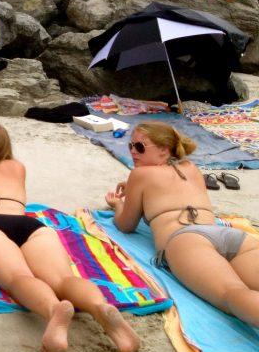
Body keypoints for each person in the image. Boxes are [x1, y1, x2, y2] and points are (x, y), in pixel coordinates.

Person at [0, 119, 140, 352]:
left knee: (18, 277)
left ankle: (54, 310)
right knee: (63, 279)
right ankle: (99, 306)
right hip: (30, 225)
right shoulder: (17, 166)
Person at [105, 122, 258, 327]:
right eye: (130, 146)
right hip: (228, 235)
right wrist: (133, 188)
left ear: (163, 150)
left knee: (233, 294)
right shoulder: (191, 168)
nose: (133, 151)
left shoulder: (140, 175)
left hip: (187, 240)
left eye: (140, 147)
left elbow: (126, 224)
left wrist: (117, 204)